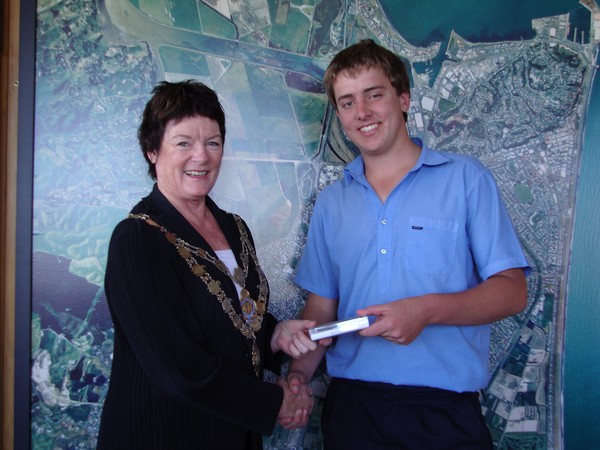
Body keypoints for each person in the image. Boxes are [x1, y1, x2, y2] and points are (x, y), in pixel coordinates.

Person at [285, 39, 531, 449]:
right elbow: (322, 308)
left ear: (403, 98)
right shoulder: (332, 202)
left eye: (374, 95)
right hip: (352, 412)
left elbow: (512, 290)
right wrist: (296, 376)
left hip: (444, 413)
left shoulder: (467, 180)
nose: (361, 112)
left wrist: (426, 311)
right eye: (347, 102)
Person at [97, 80, 315, 450]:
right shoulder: (137, 240)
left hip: (232, 436)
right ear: (152, 150)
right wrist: (274, 403)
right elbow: (180, 369)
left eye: (212, 142)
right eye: (184, 143)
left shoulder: (234, 227)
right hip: (163, 436)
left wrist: (274, 334)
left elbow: (230, 316)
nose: (201, 156)